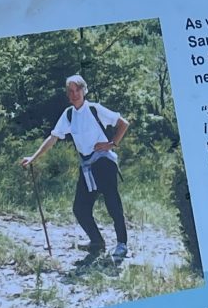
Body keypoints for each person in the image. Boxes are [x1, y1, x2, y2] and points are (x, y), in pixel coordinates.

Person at [21, 75, 131, 265]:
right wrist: (34, 157)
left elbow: (123, 123)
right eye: (70, 91)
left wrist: (112, 143)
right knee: (80, 208)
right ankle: (97, 242)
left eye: (77, 90)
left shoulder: (95, 109)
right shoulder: (69, 114)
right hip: (87, 167)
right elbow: (53, 137)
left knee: (113, 204)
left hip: (104, 162)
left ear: (84, 90)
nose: (74, 94)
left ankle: (122, 244)